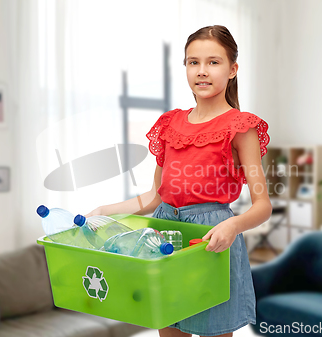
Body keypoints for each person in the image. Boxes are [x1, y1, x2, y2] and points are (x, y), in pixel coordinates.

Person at [85, 25, 272, 337]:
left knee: (214, 329)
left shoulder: (241, 126)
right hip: (163, 237)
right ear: (185, 67)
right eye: (193, 62)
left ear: (232, 69)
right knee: (168, 327)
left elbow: (263, 206)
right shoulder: (169, 124)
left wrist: (232, 225)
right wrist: (106, 209)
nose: (202, 71)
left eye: (213, 62)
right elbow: (156, 197)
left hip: (211, 241)